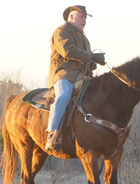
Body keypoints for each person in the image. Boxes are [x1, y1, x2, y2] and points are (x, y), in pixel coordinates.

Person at [45, 5, 105, 151]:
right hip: (64, 74)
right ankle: (52, 134)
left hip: (82, 76)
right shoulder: (61, 31)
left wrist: (93, 62)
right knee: (64, 96)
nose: (84, 20)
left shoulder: (84, 38)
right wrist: (92, 56)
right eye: (81, 17)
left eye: (85, 17)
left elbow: (84, 57)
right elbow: (68, 51)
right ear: (71, 17)